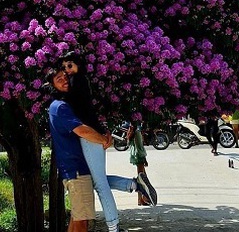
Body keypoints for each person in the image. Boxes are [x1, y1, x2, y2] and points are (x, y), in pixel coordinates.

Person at [60, 53, 154, 232]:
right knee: (95, 181)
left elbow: (79, 114)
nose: (67, 70)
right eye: (64, 67)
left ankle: (114, 227)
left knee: (100, 185)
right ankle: (134, 185)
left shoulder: (75, 82)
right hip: (92, 135)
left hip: (89, 137)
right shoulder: (82, 82)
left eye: (70, 65)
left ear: (78, 65)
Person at [48, 69, 105, 232]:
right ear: (52, 85)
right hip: (76, 171)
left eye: (66, 77)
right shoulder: (60, 107)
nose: (65, 80)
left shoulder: (59, 106)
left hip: (74, 170)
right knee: (82, 221)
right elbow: (82, 131)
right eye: (59, 79)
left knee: (77, 218)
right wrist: (103, 140)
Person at [127, 122, 157, 205]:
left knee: (141, 179)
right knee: (142, 179)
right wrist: (144, 159)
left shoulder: (133, 132)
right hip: (139, 157)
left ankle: (141, 199)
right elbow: (140, 148)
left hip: (137, 156)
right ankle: (142, 198)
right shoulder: (137, 133)